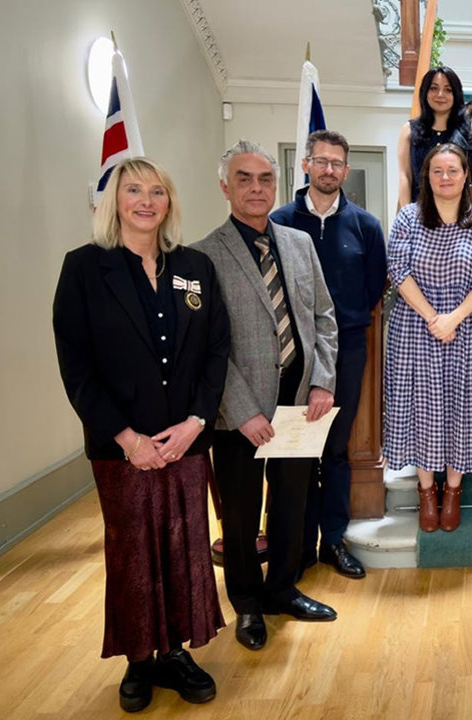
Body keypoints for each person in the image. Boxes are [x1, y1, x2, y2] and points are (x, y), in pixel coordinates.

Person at [52, 157, 229, 712]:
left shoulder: (194, 266)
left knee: (183, 546)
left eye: (157, 191)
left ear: (169, 203)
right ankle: (138, 660)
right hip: (121, 448)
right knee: (132, 552)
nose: (146, 201)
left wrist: (197, 421)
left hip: (185, 441)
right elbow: (76, 368)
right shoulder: (84, 269)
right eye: (134, 191)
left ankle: (176, 652)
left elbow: (216, 350)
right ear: (114, 202)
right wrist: (128, 438)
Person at [193, 140, 340, 653]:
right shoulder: (204, 255)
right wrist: (241, 410)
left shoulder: (299, 243)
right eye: (244, 179)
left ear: (275, 184)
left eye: (264, 179)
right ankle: (248, 604)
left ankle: (281, 588)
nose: (256, 189)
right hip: (240, 414)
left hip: (300, 402)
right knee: (239, 511)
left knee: (291, 503)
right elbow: (207, 348)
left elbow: (323, 317)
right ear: (225, 186)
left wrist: (323, 379)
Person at [269, 130, 388, 580]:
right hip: (290, 353)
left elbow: (375, 284)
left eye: (338, 163)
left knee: (335, 450)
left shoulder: (365, 226)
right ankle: (294, 546)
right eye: (321, 161)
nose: (329, 170)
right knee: (291, 455)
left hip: (348, 348)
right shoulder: (279, 222)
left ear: (346, 168)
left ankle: (332, 541)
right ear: (306, 165)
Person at [385, 144, 472, 533]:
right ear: (427, 176)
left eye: (453, 170)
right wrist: (434, 317)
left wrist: (453, 317)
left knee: (462, 409)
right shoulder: (407, 217)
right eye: (437, 171)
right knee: (423, 409)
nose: (446, 177)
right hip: (416, 328)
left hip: (468, 328)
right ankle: (425, 491)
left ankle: (453, 490)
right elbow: (398, 269)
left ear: (466, 174)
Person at [397, 67, 472, 207]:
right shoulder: (409, 130)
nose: (440, 94)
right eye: (434, 88)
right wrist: (406, 216)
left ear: (456, 94)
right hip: (421, 215)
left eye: (448, 90)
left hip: (465, 217)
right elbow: (405, 177)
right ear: (425, 92)